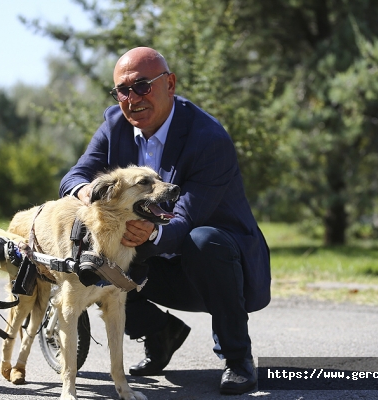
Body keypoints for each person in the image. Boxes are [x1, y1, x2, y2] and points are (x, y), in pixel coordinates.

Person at [59, 47, 271, 395]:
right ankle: (159, 332)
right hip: (154, 260)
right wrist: (87, 193)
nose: (132, 98)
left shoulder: (209, 139)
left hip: (217, 266)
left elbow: (186, 216)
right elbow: (76, 176)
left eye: (142, 86)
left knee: (204, 239)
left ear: (169, 83)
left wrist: (147, 234)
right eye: (122, 90)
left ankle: (237, 358)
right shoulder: (114, 124)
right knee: (98, 251)